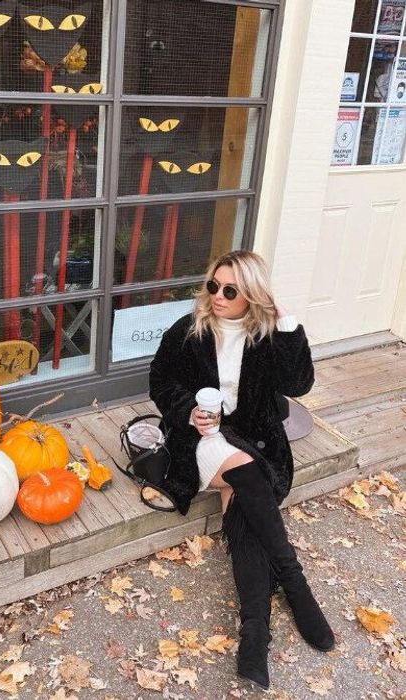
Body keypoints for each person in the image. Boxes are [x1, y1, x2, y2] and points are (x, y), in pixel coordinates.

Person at [148, 250, 333, 690]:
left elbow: (298, 384)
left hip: (253, 436)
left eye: (230, 290)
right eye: (213, 285)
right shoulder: (188, 329)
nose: (217, 296)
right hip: (201, 438)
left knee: (243, 511)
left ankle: (255, 633)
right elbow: (160, 380)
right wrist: (188, 411)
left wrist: (285, 321)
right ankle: (294, 582)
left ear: (250, 294)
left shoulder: (267, 335)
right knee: (248, 472)